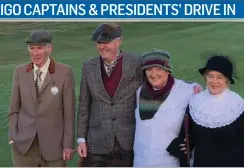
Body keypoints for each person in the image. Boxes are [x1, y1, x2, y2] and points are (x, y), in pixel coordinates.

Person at [76, 23, 203, 167]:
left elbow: (159, 74)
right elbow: (84, 104)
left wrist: (192, 86)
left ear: (119, 41)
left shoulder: (135, 62)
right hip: (97, 141)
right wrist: (81, 138)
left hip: (127, 142)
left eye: (106, 42)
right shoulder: (88, 66)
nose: (102, 46)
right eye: (99, 43)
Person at [167, 54, 244, 167]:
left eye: (219, 77)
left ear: (227, 81)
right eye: (210, 76)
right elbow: (185, 139)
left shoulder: (238, 105)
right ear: (205, 77)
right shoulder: (195, 103)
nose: (214, 81)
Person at [7, 30, 76, 167]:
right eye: (32, 48)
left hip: (54, 148)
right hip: (24, 148)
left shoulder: (64, 72)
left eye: (39, 48)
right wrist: (12, 137)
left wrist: (68, 144)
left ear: (49, 48)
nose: (35, 53)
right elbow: (14, 109)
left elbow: (69, 112)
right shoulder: (20, 72)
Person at [133, 49, 202, 167]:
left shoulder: (187, 91)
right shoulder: (140, 91)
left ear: (168, 70)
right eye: (149, 69)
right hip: (142, 161)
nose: (153, 74)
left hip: (170, 162)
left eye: (159, 69)